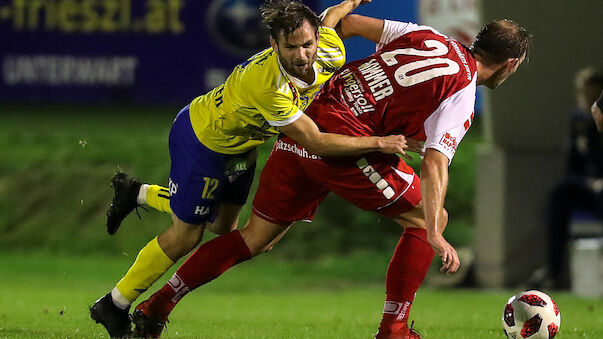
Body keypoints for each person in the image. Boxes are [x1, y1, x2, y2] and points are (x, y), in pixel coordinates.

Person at [127, 15, 531, 339]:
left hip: (308, 122)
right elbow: (436, 163)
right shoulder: (461, 89)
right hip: (342, 145)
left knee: (255, 237)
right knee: (430, 219)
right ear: (510, 64)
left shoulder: (427, 36)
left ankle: (157, 305)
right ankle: (393, 330)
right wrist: (436, 234)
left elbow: (348, 25)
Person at [89, 1, 417, 337]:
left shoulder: (328, 47)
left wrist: (351, 2)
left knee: (221, 228)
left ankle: (137, 193)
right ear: (274, 45)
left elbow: (332, 17)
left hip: (241, 148)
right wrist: (379, 142)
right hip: (204, 141)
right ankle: (113, 305)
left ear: (316, 38)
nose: (302, 55)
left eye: (307, 44)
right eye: (291, 47)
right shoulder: (267, 84)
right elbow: (316, 142)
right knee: (187, 234)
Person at [546, 67, 603, 290]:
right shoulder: (578, 121)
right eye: (584, 93)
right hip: (588, 186)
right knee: (560, 194)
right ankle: (555, 274)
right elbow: (574, 164)